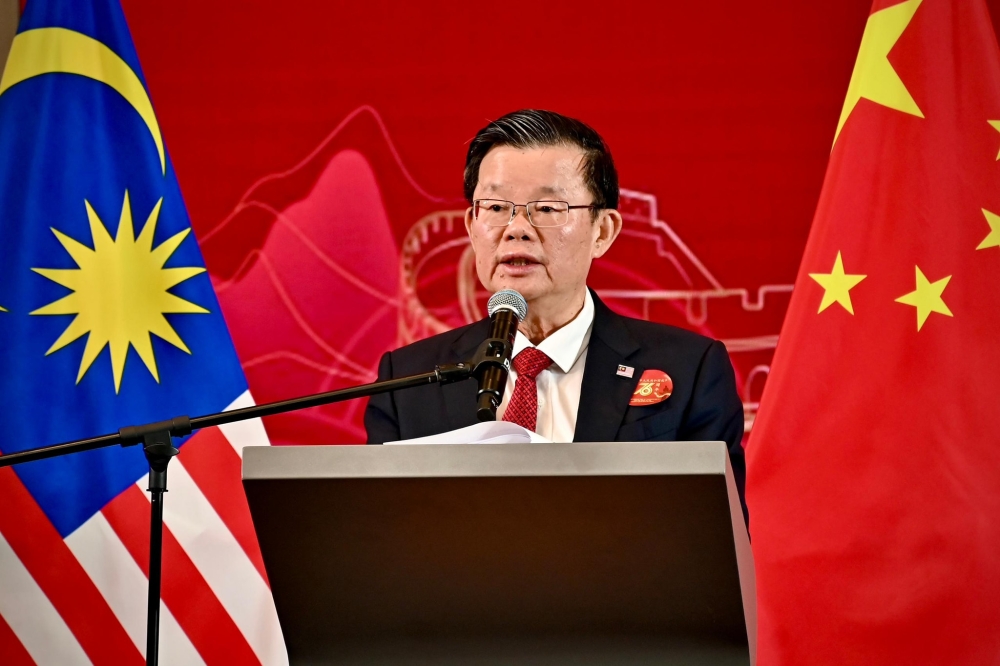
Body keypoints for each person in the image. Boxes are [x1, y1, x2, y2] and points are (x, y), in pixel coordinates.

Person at [365, 109, 746, 521]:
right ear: (472, 225)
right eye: (494, 207)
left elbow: (713, 544)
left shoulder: (690, 370)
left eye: (547, 208)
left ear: (603, 231)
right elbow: (382, 540)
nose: (516, 228)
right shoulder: (407, 382)